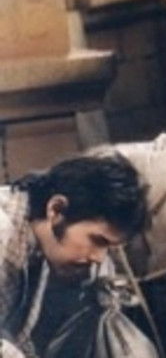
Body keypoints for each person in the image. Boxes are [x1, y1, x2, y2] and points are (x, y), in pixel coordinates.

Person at [1, 153, 149, 357]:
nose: (99, 257)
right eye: (98, 240)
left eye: (109, 247)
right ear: (56, 209)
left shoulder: (41, 243)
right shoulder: (3, 228)